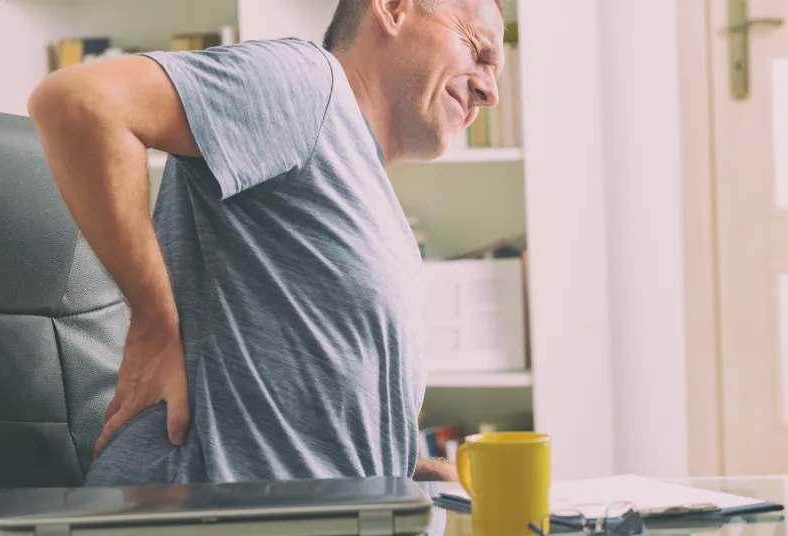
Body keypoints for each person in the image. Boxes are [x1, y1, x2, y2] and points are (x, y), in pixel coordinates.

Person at [27, 0, 504, 486]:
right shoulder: (309, 84)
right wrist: (155, 324)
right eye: (477, 50)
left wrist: (406, 474)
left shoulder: (374, 199)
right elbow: (79, 101)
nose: (490, 90)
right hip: (200, 513)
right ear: (394, 9)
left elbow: (304, 421)